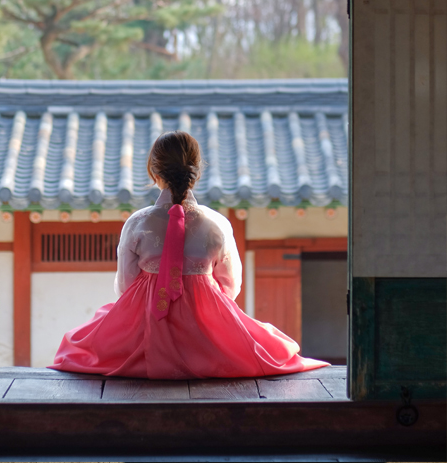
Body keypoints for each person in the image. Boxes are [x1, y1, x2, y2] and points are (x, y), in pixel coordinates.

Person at [49, 131, 328, 379]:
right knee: (264, 350)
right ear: (196, 172)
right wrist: (201, 304)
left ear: (154, 173)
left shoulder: (137, 223)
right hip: (206, 332)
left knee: (78, 347)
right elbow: (230, 286)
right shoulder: (216, 224)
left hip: (146, 324)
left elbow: (125, 286)